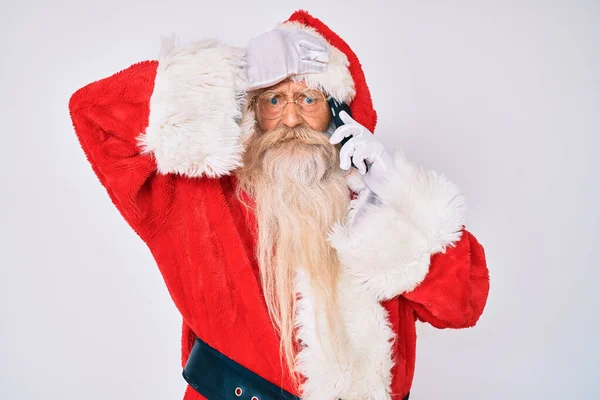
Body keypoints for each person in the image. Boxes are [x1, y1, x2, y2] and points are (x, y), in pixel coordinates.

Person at [69, 9, 489, 400]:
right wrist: (235, 73)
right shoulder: (195, 196)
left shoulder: (377, 208)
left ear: (339, 114)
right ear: (251, 109)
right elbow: (95, 113)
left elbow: (463, 303)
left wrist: (399, 193)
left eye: (308, 99)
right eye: (273, 99)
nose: (290, 119)